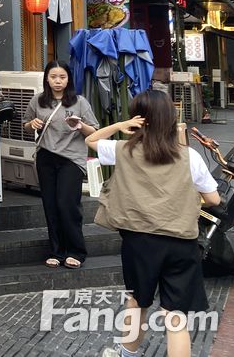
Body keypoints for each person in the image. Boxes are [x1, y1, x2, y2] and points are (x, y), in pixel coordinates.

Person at [87, 90, 220, 357]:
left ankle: (127, 353)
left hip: (139, 242)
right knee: (176, 316)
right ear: (170, 119)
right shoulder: (189, 156)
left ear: (138, 119)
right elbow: (213, 199)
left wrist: (120, 126)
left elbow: (91, 139)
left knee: (137, 302)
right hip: (181, 242)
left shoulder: (122, 150)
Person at [23, 60, 99, 269]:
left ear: (68, 79)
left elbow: (94, 131)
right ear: (47, 79)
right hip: (46, 157)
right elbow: (26, 124)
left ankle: (76, 251)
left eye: (62, 77)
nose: (58, 81)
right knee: (50, 205)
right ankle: (56, 251)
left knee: (67, 204)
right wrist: (32, 124)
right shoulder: (37, 101)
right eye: (53, 77)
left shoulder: (80, 102)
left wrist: (80, 125)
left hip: (71, 159)